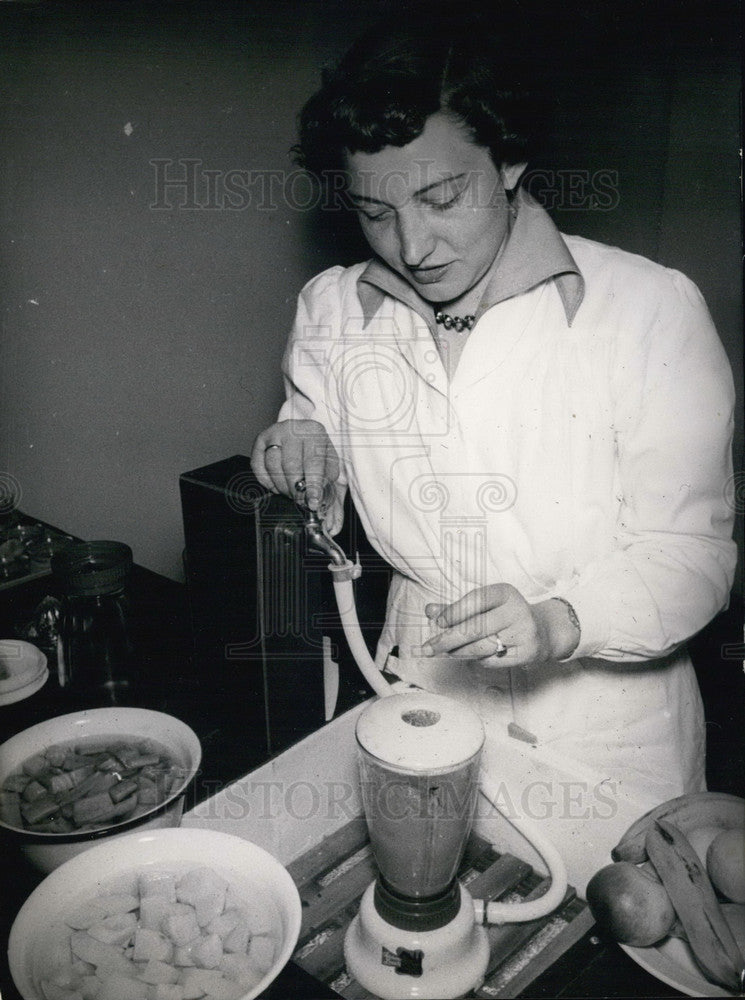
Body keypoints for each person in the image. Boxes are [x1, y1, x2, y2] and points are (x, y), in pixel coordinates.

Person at [251, 10, 736, 881]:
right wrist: (300, 447)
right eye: (374, 211)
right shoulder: (331, 310)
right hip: (425, 692)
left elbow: (692, 555)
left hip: (607, 726)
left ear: (509, 161)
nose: (412, 246)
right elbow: (318, 452)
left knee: (618, 924)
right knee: (432, 907)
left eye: (441, 199)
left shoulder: (648, 309)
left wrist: (558, 621)